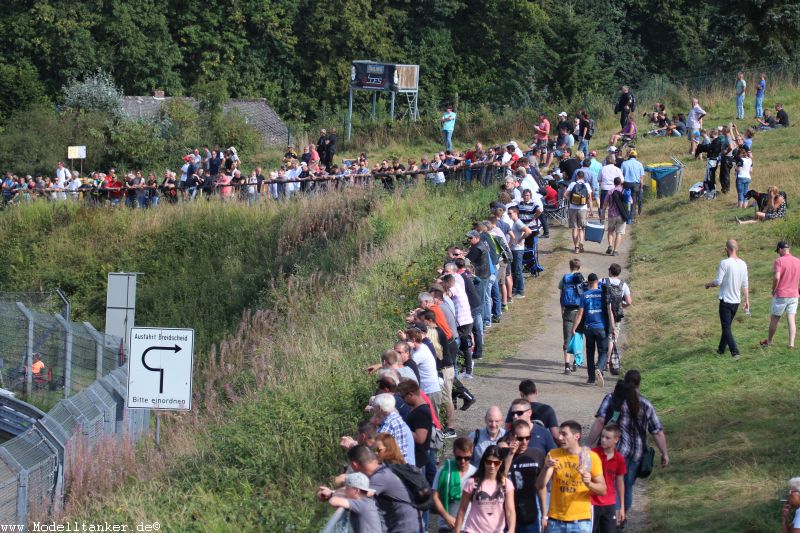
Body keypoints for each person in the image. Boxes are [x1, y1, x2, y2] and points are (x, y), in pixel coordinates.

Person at [587, 370, 669, 519]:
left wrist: (588, 444)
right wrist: (665, 453)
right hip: (635, 454)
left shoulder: (612, 399)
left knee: (610, 484)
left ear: (624, 381)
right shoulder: (646, 404)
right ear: (639, 384)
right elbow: (656, 431)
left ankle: (612, 517)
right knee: (627, 486)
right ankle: (622, 515)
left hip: (613, 451)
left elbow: (600, 421)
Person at [537, 421, 605, 533]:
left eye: (564, 434)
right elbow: (540, 486)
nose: (559, 437)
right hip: (556, 520)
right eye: (559, 434)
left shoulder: (590, 457)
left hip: (580, 521)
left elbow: (602, 490)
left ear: (576, 436)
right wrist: (546, 468)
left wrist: (589, 484)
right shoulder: (553, 454)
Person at [347, 445, 420, 533]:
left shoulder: (378, 478)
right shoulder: (384, 469)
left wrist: (333, 493)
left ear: (354, 465)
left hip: (405, 528)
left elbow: (357, 495)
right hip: (411, 524)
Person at [454, 445, 516, 533]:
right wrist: (456, 531)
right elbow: (462, 509)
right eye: (489, 462)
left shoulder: (506, 484)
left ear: (501, 463)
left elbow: (510, 511)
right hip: (473, 530)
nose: (492, 466)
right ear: (484, 462)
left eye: (496, 463)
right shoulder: (472, 482)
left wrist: (511, 529)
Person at [705, 239, 750, 358]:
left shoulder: (724, 263)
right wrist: (747, 301)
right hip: (736, 302)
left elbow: (718, 282)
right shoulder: (743, 264)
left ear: (726, 249)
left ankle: (735, 352)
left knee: (726, 328)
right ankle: (720, 350)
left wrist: (708, 284)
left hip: (725, 301)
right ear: (737, 248)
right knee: (727, 327)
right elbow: (745, 284)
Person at [504, 419, 546, 533]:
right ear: (512, 436)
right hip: (506, 516)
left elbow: (541, 488)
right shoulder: (502, 454)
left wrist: (544, 515)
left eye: (528, 438)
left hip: (530, 515)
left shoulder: (536, 454)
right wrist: (511, 454)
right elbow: (501, 479)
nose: (525, 442)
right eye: (520, 438)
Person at [573, 273, 615, 386]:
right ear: (597, 281)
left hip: (589, 328)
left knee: (590, 352)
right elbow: (610, 311)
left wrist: (574, 327)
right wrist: (613, 327)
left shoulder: (584, 295)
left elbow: (580, 313)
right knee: (603, 351)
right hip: (602, 327)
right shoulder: (603, 294)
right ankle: (600, 369)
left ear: (589, 283)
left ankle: (591, 378)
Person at [432, 437, 477, 532]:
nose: (463, 461)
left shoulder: (475, 474)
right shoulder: (444, 470)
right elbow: (435, 496)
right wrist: (446, 517)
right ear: (454, 453)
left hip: (467, 526)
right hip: (446, 524)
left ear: (471, 453)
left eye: (467, 458)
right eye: (459, 458)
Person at [762, 241, 800, 348]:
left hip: (781, 294)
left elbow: (777, 277)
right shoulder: (798, 261)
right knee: (791, 319)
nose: (778, 253)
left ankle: (769, 342)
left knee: (775, 318)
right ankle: (791, 344)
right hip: (794, 294)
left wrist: (773, 289)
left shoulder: (779, 261)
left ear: (780, 249)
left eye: (777, 251)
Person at [590, 423, 627, 533]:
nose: (603, 440)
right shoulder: (592, 454)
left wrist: (621, 507)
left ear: (616, 439)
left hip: (609, 503)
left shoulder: (619, 458)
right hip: (591, 502)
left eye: (607, 438)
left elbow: (620, 483)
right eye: (602, 436)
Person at [316, 473, 381, 533]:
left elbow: (333, 501)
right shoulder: (366, 502)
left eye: (347, 488)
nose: (344, 491)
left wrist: (330, 493)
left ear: (356, 491)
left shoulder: (360, 504)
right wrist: (331, 492)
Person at [560, 258, 584, 374]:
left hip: (568, 311)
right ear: (579, 267)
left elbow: (561, 294)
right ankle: (576, 362)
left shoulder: (565, 278)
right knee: (578, 337)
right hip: (580, 312)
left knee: (567, 338)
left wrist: (562, 309)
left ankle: (567, 366)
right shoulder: (582, 278)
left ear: (570, 266)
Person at [507, 206, 533, 299]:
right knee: (515, 270)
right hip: (514, 249)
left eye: (510, 213)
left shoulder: (518, 222)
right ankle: (516, 289)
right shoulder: (514, 223)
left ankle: (521, 291)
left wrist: (521, 239)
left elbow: (528, 231)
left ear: (516, 213)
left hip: (518, 250)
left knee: (518, 271)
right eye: (508, 213)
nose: (509, 215)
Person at [565, 170, 594, 254]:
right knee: (581, 228)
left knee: (574, 228)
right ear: (583, 177)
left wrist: (570, 200)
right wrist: (591, 210)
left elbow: (565, 195)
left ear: (577, 176)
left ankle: (576, 247)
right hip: (583, 208)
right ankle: (581, 242)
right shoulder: (587, 185)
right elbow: (590, 199)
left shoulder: (572, 184)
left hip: (573, 208)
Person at [601, 177, 629, 257]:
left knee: (610, 231)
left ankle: (610, 245)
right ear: (620, 183)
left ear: (614, 183)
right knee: (619, 233)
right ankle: (615, 251)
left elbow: (605, 203)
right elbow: (630, 201)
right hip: (621, 214)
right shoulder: (624, 191)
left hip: (611, 214)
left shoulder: (610, 191)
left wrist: (603, 213)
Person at [620, 149, 644, 220]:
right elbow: (641, 177)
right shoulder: (639, 164)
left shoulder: (624, 163)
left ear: (629, 156)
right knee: (633, 200)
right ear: (636, 156)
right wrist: (641, 186)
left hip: (626, 184)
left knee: (625, 199)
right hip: (635, 184)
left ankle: (624, 213)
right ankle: (631, 216)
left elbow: (621, 174)